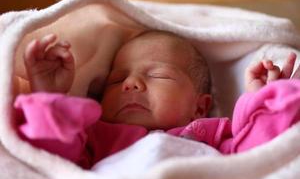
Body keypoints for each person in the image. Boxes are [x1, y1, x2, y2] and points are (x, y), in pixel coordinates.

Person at [14, 30, 300, 169]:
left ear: (198, 107)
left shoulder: (213, 137)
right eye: (116, 80)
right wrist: (48, 95)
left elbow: (259, 156)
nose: (130, 83)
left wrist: (265, 100)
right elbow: (50, 157)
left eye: (158, 75)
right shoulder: (96, 137)